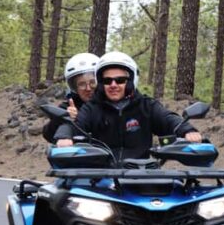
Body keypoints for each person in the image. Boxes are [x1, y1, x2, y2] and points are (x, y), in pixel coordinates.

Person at [54, 51, 202, 162]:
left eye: (120, 80)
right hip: (100, 177)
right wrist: (64, 136)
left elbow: (168, 119)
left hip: (140, 175)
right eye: (107, 81)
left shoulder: (146, 105)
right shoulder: (92, 108)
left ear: (130, 81)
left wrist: (187, 130)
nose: (113, 85)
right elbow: (75, 124)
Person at [42, 53, 99, 143]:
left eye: (92, 82)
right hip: (80, 154)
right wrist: (64, 118)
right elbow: (48, 135)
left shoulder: (110, 103)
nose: (88, 88)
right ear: (74, 88)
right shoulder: (68, 107)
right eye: (82, 84)